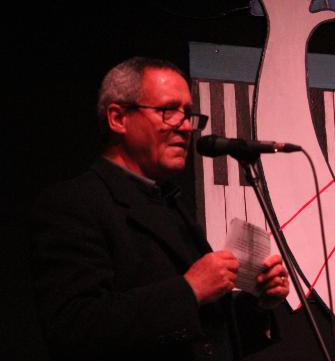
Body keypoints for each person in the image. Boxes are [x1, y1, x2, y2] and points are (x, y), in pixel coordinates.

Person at [29, 57, 290, 361]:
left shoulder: (170, 204)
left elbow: (206, 334)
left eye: (188, 114)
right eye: (168, 111)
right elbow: (74, 328)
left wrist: (258, 303)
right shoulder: (75, 203)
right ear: (118, 118)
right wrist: (189, 289)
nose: (186, 126)